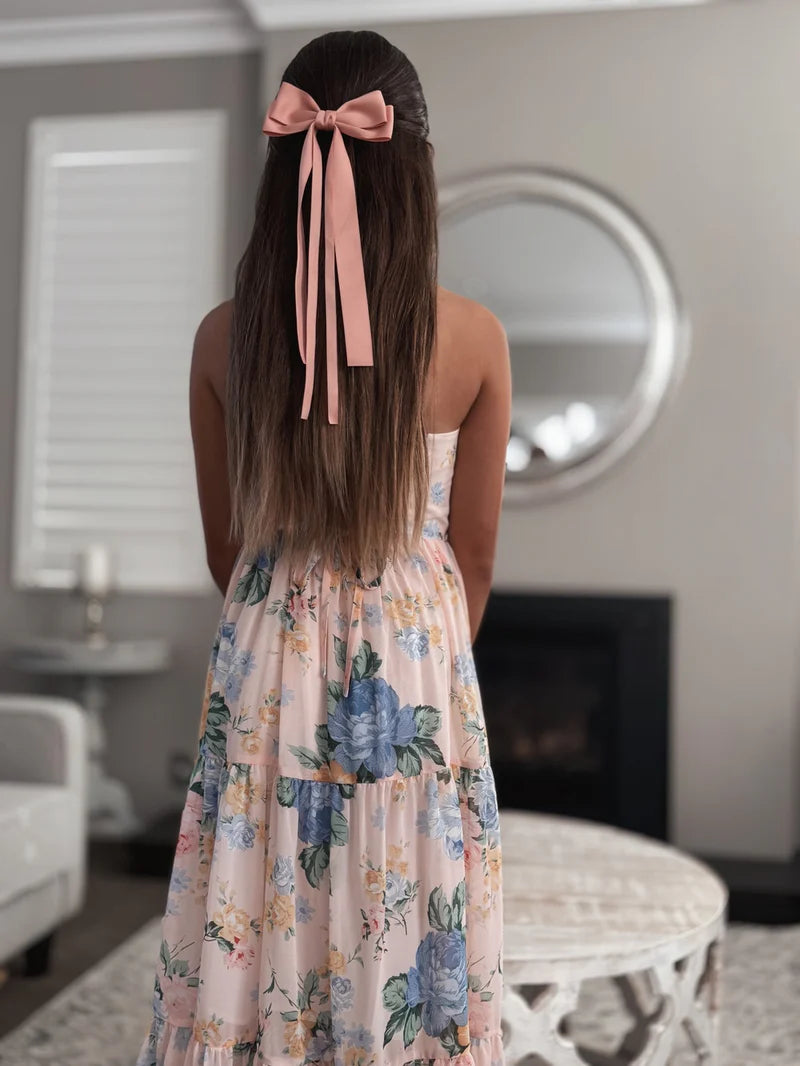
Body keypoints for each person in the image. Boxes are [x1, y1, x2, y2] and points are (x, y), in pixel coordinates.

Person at [137, 28, 510, 1066]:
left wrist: (292, 613)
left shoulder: (224, 337)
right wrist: (423, 650)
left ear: (281, 166)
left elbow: (228, 549)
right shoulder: (473, 336)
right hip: (414, 657)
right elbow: (474, 554)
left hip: (272, 650)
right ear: (416, 171)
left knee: (259, 881)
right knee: (403, 882)